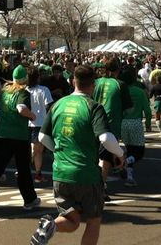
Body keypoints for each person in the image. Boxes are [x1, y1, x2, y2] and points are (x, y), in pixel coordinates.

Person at [30, 65, 124, 245]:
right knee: (93, 222)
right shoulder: (93, 107)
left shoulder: (58, 104)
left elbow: (42, 136)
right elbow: (105, 137)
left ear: (73, 81)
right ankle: (51, 226)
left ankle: (50, 226)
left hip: (61, 173)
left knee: (72, 221)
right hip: (87, 174)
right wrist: (120, 153)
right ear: (93, 84)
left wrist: (57, 151)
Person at [0, 64, 40, 214]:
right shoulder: (23, 93)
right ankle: (29, 199)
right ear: (25, 79)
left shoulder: (4, 91)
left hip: (1, 134)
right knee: (23, 169)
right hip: (19, 136)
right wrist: (32, 115)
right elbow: (21, 109)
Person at [92, 57, 132, 194]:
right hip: (110, 124)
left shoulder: (95, 82)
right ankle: (101, 187)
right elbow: (128, 108)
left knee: (93, 155)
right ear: (118, 70)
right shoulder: (120, 84)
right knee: (105, 158)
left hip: (92, 122)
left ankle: (94, 184)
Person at [120, 66, 151, 187]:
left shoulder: (121, 91)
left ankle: (130, 177)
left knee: (129, 150)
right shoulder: (139, 92)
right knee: (139, 152)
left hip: (123, 122)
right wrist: (148, 124)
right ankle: (125, 162)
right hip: (136, 123)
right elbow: (147, 110)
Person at [27, 66, 53, 183]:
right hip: (40, 123)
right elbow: (49, 106)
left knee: (29, 150)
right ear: (38, 78)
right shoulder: (44, 90)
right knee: (38, 152)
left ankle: (24, 171)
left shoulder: (24, 90)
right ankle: (37, 174)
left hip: (26, 123)